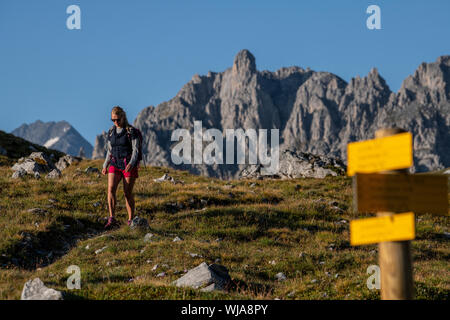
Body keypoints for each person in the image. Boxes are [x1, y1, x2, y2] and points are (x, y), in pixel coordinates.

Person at [102, 106, 139, 229]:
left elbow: (136, 150)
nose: (116, 122)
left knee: (127, 193)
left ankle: (131, 220)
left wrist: (131, 164)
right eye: (113, 120)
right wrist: (105, 165)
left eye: (117, 119)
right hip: (115, 163)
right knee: (111, 189)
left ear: (123, 117)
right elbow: (109, 150)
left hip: (128, 165)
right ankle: (112, 218)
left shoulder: (131, 132)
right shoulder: (111, 131)